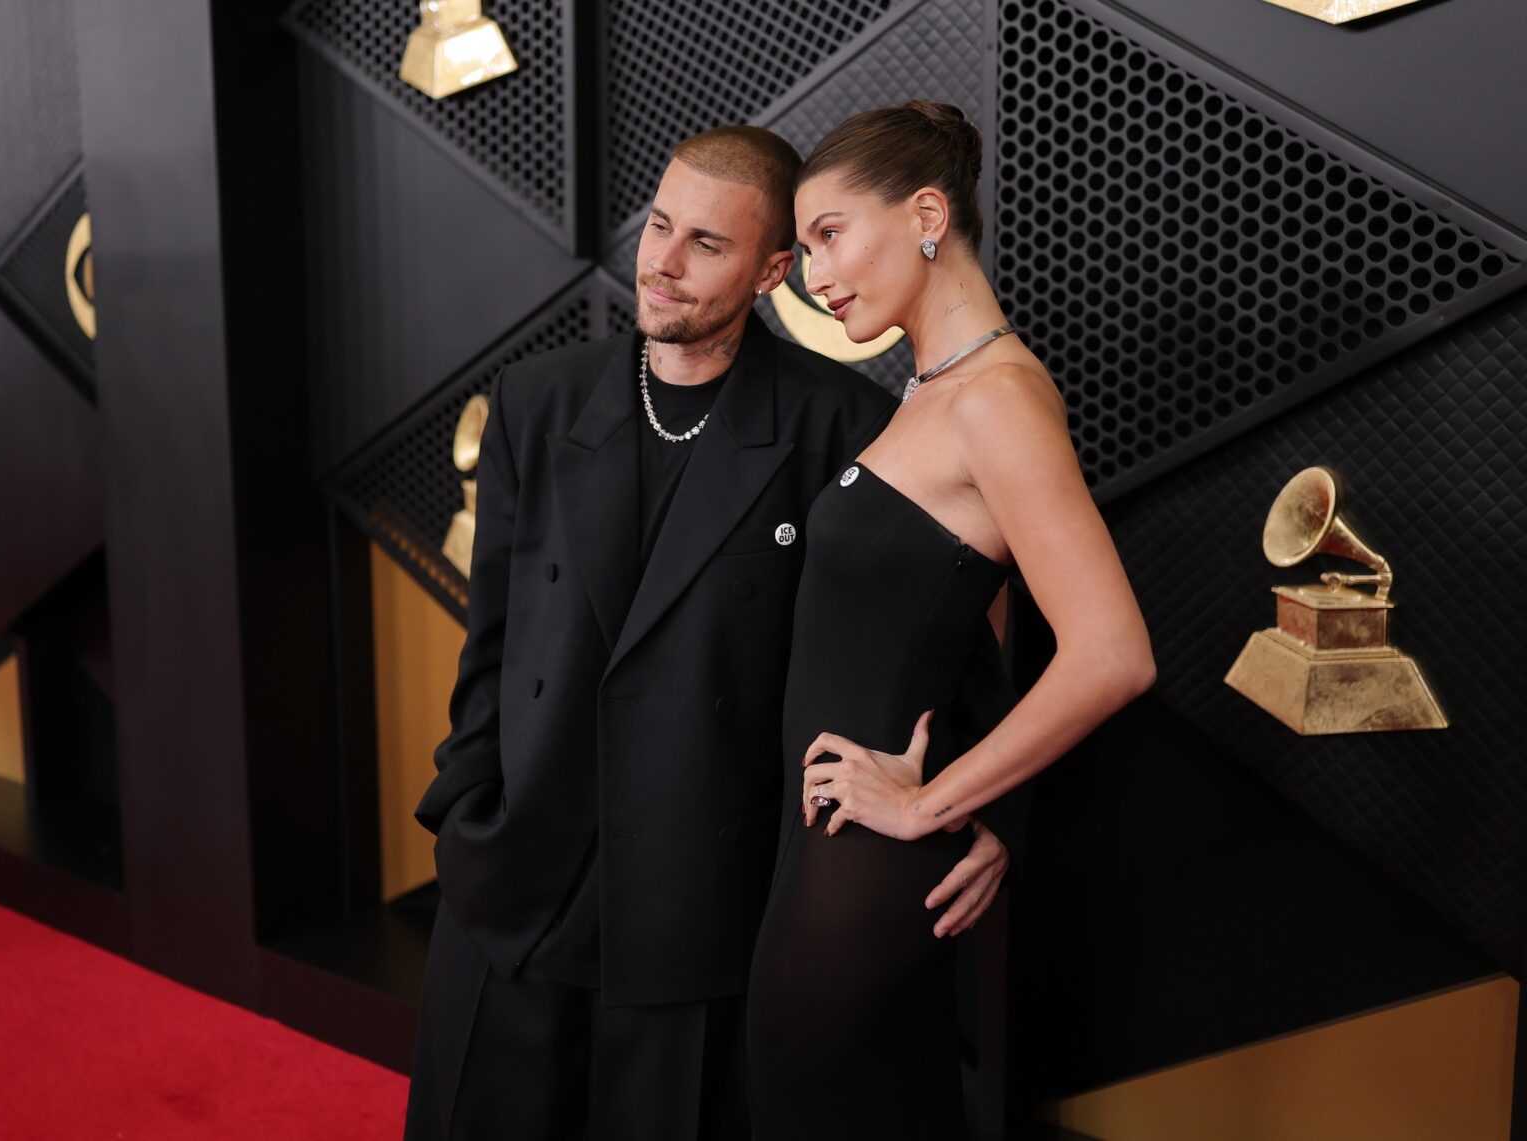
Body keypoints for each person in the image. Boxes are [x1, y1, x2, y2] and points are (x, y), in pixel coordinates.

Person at [402, 124, 1021, 1141]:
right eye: (658, 227)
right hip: (517, 887)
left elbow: (936, 637)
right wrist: (470, 813)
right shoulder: (539, 403)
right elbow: (494, 645)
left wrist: (990, 806)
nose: (662, 263)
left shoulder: (842, 425)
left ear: (775, 269)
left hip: (701, 910)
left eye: (706, 245)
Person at [746, 101, 1157, 1140]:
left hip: (868, 862)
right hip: (833, 848)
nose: (812, 274)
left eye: (830, 235)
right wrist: (996, 810)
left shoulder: (996, 401)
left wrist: (937, 807)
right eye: (801, 250)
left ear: (927, 212)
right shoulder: (936, 389)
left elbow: (1111, 654)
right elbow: (976, 631)